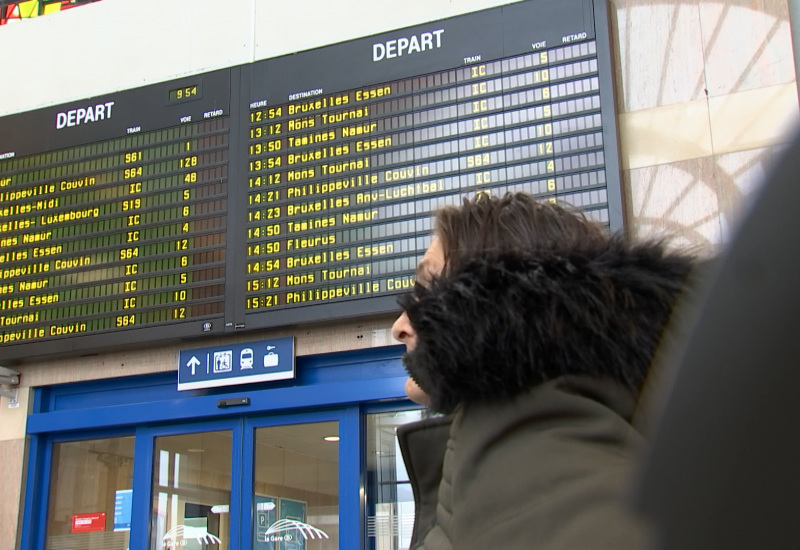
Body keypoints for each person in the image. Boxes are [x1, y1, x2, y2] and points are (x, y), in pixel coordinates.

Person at [391, 192, 696, 550]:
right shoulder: (568, 418)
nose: (400, 325)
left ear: (497, 297)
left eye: (429, 288)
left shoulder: (520, 426)